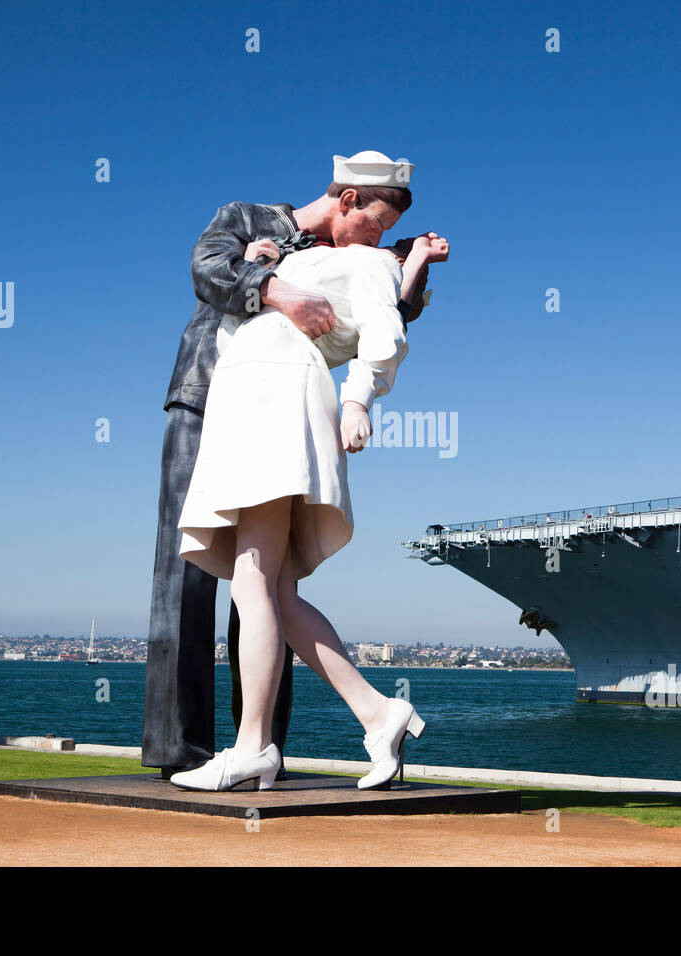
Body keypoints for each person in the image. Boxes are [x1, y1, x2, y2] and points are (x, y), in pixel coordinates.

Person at [143, 151, 431, 780]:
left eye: (387, 232)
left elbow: (381, 325)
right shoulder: (270, 233)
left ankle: (255, 748)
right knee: (267, 587)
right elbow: (211, 268)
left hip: (274, 400)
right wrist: (271, 271)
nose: (378, 235)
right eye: (375, 221)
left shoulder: (365, 259)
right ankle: (375, 712)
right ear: (348, 200)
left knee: (254, 581)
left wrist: (358, 397)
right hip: (231, 399)